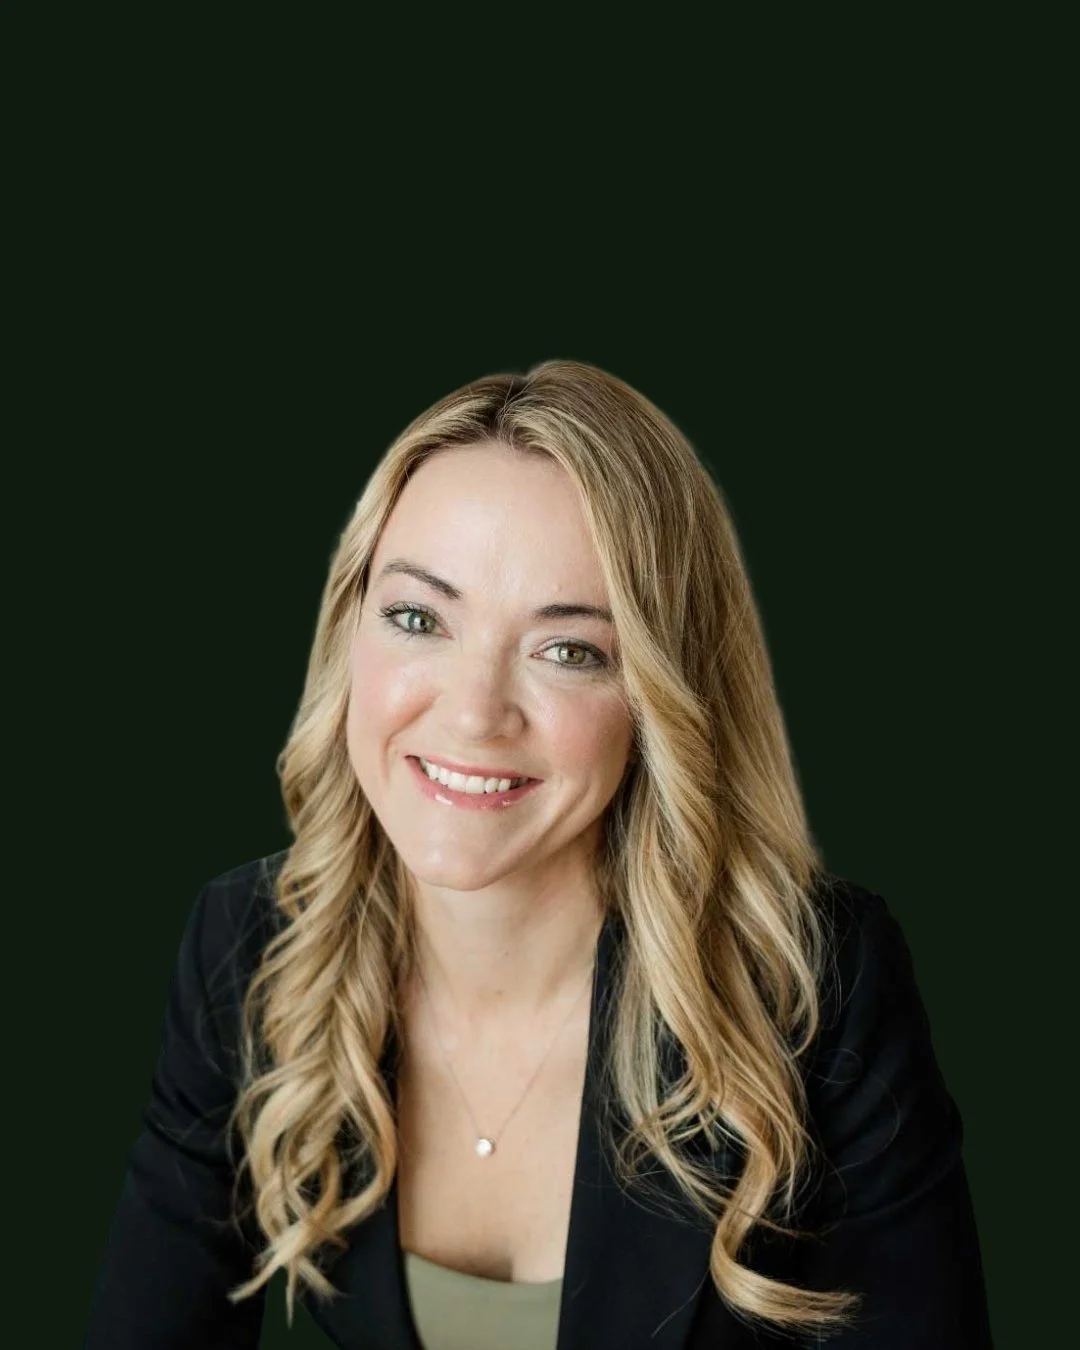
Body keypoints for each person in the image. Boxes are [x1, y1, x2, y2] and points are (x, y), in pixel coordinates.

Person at [84, 360, 994, 1349]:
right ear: (349, 631)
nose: (474, 713)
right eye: (418, 618)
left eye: (570, 650)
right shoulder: (252, 945)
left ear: (660, 695)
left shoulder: (814, 984)